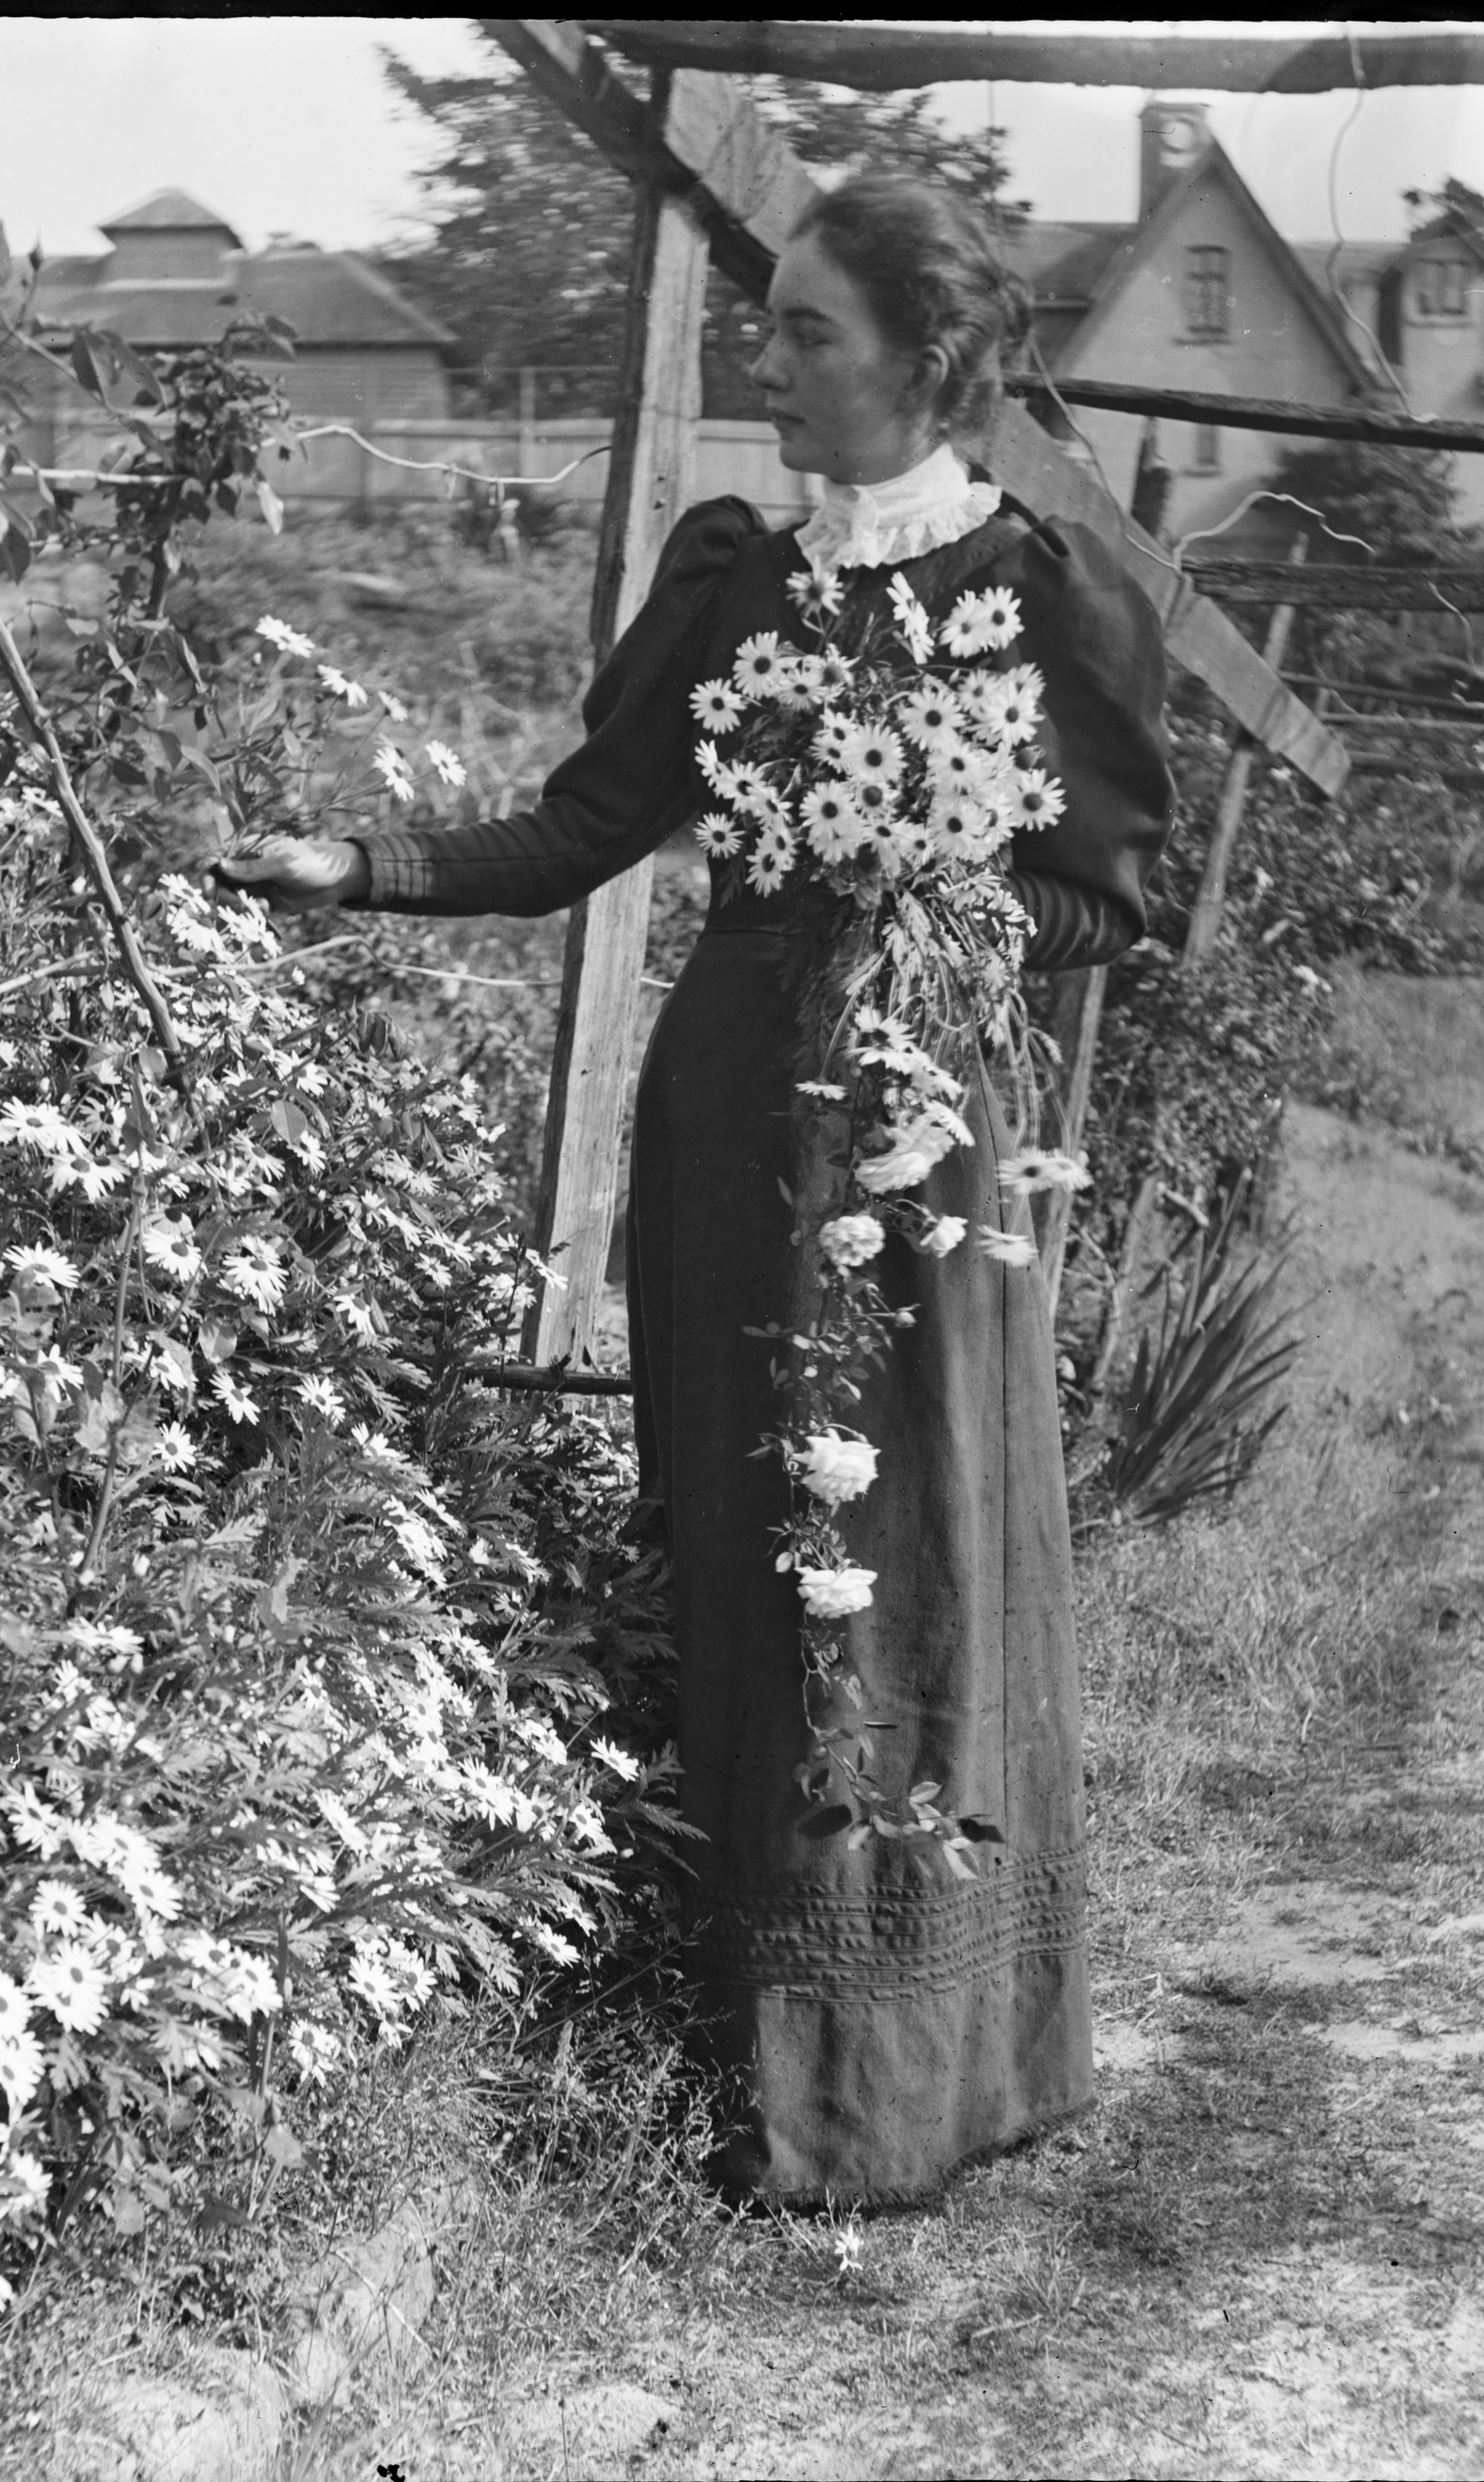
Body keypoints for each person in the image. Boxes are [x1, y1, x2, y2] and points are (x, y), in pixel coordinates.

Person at [215, 176, 1174, 2209]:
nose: (770, 360)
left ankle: (937, 2058)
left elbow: (1110, 898)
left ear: (926, 362)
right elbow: (586, 828)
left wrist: (941, 903)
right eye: (762, 327)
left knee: (921, 1521)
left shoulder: (1041, 586)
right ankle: (747, 2056)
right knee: (744, 1527)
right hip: (736, 1104)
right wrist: (359, 874)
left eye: (808, 332)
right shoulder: (734, 577)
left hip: (921, 1127)